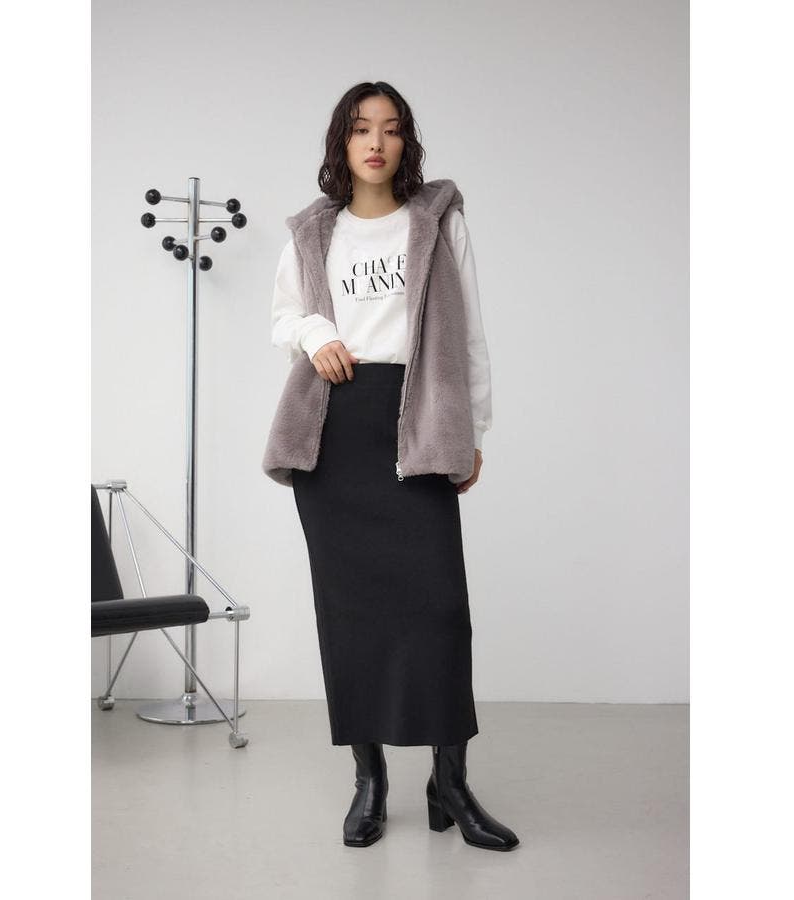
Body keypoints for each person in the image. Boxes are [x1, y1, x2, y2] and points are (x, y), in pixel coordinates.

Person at [264, 81, 519, 852]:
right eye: (360, 128)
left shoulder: (437, 220)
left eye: (391, 128)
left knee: (440, 610)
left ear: (406, 142)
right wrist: (315, 334)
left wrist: (473, 430)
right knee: (349, 613)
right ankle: (368, 778)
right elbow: (283, 314)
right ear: (341, 143)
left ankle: (450, 782)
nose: (375, 142)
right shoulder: (313, 231)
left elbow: (468, 333)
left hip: (418, 420)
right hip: (336, 430)